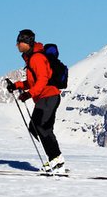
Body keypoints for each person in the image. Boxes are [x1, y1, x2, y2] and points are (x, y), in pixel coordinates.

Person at [6, 29, 66, 172]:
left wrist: (28, 94)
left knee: (42, 127)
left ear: (27, 42)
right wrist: (16, 86)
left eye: (19, 42)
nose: (17, 45)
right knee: (35, 127)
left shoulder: (37, 58)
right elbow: (33, 81)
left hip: (49, 96)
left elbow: (43, 79)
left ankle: (57, 160)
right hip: (43, 97)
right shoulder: (32, 58)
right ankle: (54, 159)